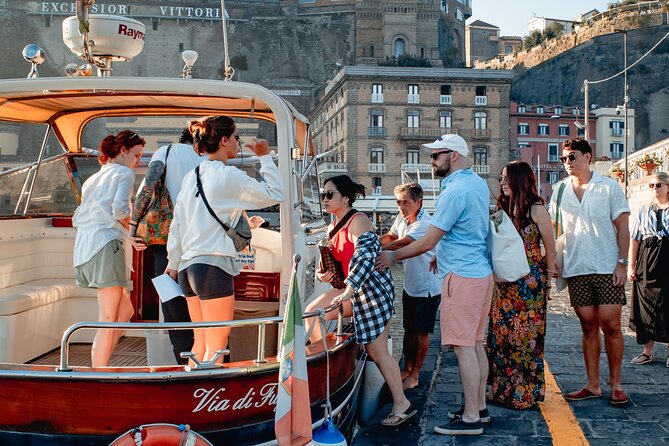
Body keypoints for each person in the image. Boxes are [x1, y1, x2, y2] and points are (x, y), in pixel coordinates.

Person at [376, 134, 493, 436]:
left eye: (436, 155)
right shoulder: (477, 183)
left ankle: (470, 419)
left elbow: (429, 239)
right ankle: (479, 407)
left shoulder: (453, 191)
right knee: (476, 343)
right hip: (480, 271)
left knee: (463, 347)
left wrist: (393, 256)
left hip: (461, 276)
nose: (431, 161)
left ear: (453, 155)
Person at [165, 115, 283, 364]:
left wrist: (173, 264)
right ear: (224, 140)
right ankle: (206, 396)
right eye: (236, 138)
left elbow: (177, 225)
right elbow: (276, 193)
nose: (238, 143)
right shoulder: (227, 175)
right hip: (213, 267)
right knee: (217, 345)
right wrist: (264, 156)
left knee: (200, 341)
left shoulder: (192, 176)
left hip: (188, 268)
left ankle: (193, 394)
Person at [305, 175, 414, 427]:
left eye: (329, 194)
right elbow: (337, 261)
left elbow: (365, 257)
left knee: (378, 351)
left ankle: (401, 402)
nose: (325, 199)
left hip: (371, 292)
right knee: (312, 314)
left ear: (345, 198)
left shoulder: (359, 222)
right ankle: (332, 376)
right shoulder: (335, 223)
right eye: (323, 194)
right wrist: (325, 274)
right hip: (350, 288)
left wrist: (350, 289)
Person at [549, 138, 630, 406]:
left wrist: (621, 262)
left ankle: (616, 384)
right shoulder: (559, 190)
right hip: (576, 267)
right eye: (563, 159)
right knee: (587, 325)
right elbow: (554, 228)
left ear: (587, 157)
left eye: (572, 157)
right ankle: (592, 384)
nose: (567, 163)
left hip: (607, 266)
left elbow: (623, 227)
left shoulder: (608, 187)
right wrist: (554, 260)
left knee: (611, 325)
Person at [129, 128, 204, 365]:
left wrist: (133, 225)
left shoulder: (166, 151)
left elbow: (148, 187)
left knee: (174, 309)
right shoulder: (209, 158)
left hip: (166, 240)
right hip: (202, 241)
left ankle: (184, 364)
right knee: (206, 311)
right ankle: (209, 363)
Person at [72, 130, 147, 368]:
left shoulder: (93, 178)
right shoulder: (123, 173)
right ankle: (99, 370)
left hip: (85, 250)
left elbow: (83, 217)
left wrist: (127, 236)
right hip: (105, 247)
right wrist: (135, 234)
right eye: (136, 155)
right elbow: (120, 211)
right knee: (108, 318)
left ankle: (101, 359)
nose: (138, 161)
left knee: (125, 311)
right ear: (123, 151)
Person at [487, 161, 556, 409]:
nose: (503, 183)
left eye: (507, 178)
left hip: (529, 284)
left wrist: (548, 281)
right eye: (501, 178)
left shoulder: (536, 210)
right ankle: (502, 390)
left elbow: (550, 246)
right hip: (505, 283)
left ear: (520, 180)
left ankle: (524, 394)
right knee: (501, 338)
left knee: (525, 338)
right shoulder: (503, 209)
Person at [380, 182, 441, 390]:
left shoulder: (425, 223)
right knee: (408, 329)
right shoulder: (403, 218)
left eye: (405, 202)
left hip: (428, 286)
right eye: (398, 202)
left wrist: (376, 254)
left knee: (421, 332)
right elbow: (391, 236)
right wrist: (369, 243)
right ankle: (406, 367)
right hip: (410, 285)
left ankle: (415, 373)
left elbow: (400, 243)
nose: (401, 206)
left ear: (418, 202)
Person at [628, 171, 669, 368]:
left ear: (668, 187)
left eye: (658, 185)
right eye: (651, 185)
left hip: (667, 261)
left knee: (668, 307)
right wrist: (631, 265)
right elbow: (635, 239)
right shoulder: (643, 210)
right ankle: (647, 352)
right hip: (647, 261)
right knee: (644, 308)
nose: (654, 188)